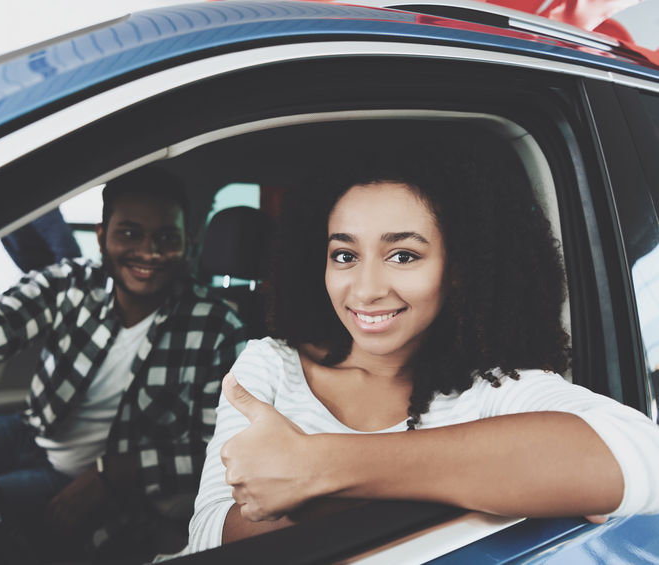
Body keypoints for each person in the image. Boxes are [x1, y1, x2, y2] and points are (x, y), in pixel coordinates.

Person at [186, 138, 659, 552]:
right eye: (345, 255)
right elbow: (208, 537)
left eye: (403, 255)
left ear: (458, 268)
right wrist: (500, 481)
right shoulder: (270, 365)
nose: (366, 288)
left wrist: (320, 468)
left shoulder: (493, 388)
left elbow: (641, 457)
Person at [0, 167, 245, 560]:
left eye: (166, 238)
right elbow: (2, 318)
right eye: (130, 233)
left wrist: (113, 473)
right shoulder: (72, 283)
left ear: (189, 243)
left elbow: (216, 447)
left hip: (90, 479)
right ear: (102, 238)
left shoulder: (218, 327)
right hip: (30, 431)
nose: (149, 253)